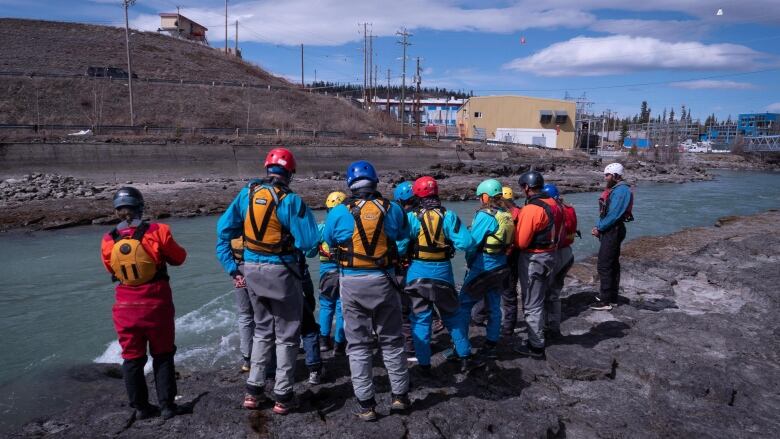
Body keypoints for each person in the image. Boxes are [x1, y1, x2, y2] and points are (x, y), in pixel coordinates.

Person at [216, 147, 319, 415]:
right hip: (281, 271)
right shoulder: (290, 200)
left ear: (268, 169)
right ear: (290, 172)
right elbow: (309, 244)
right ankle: (283, 394)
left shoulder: (247, 193)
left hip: (251, 269)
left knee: (262, 329)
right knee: (286, 334)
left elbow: (224, 229)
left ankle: (254, 389)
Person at [323, 160, 411, 422]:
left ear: (350, 184)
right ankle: (399, 397)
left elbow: (329, 240)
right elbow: (402, 232)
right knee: (392, 340)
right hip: (383, 281)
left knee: (359, 345)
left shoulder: (339, 212)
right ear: (375, 182)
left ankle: (366, 404)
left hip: (352, 283)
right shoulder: (392, 208)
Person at [101, 187, 187, 420]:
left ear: (117, 211)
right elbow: (179, 258)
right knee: (163, 354)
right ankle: (168, 406)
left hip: (125, 307)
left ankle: (140, 407)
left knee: (132, 358)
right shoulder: (159, 230)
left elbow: (111, 269)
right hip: (156, 303)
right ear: (141, 207)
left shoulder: (108, 239)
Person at [397, 176, 475, 376]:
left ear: (417, 195)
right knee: (453, 316)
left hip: (416, 274)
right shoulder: (448, 215)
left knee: (420, 319)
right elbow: (466, 243)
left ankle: (424, 365)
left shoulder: (412, 217)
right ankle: (465, 357)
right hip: (442, 272)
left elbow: (400, 246)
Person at [447, 179, 514, 365]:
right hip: (501, 265)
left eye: (480, 196)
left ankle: (461, 349)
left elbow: (471, 243)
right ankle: (491, 345)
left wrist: (469, 261)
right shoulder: (505, 213)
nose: (478, 200)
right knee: (494, 305)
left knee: (463, 305)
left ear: (486, 196)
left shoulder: (486, 215)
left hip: (483, 266)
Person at [512, 171, 563, 358]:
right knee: (545, 297)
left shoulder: (532, 209)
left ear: (527, 187)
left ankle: (536, 345)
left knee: (532, 303)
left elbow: (522, 242)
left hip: (535, 259)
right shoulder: (555, 204)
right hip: (552, 255)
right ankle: (548, 330)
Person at [591, 163, 633, 311]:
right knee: (612, 264)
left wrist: (600, 228)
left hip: (613, 230)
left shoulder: (621, 191)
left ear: (615, 176)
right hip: (612, 229)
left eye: (607, 175)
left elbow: (614, 214)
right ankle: (611, 297)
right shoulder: (617, 189)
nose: (605, 178)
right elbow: (607, 212)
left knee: (605, 264)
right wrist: (599, 226)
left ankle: (605, 300)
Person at [542, 183, 579, 340]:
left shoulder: (551, 211)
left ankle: (544, 328)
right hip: (567, 254)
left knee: (543, 293)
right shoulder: (569, 209)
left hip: (554, 255)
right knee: (555, 293)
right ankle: (554, 327)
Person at [392, 181, 418, 361]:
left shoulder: (407, 218)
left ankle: (410, 348)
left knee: (404, 309)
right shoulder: (428, 214)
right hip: (426, 266)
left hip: (406, 268)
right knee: (420, 307)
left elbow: (400, 247)